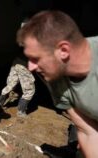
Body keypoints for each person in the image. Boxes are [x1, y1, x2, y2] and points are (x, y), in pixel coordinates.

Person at [17, 10, 98, 158]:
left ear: (63, 50)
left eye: (36, 58)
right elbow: (88, 133)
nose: (30, 67)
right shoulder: (55, 78)